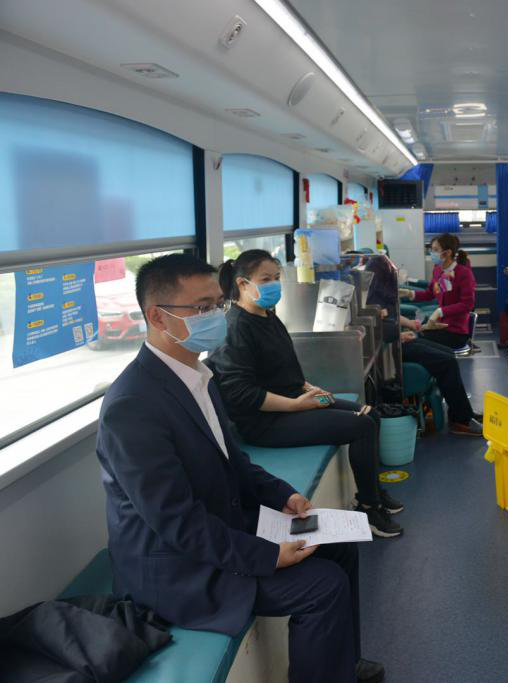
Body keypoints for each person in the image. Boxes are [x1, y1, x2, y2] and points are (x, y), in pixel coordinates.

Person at [95, 253, 384, 683]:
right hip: (176, 568)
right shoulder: (132, 406)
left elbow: (233, 461)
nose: (217, 316)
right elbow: (176, 522)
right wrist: (267, 555)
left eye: (218, 304)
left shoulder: (198, 377)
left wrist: (282, 494)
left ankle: (343, 666)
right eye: (202, 308)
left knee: (340, 549)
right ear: (157, 317)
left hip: (219, 527)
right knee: (321, 586)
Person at [206, 250, 403, 539]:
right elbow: (241, 394)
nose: (274, 285)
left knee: (370, 414)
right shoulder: (235, 329)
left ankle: (373, 490)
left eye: (276, 278)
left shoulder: (267, 317)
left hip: (296, 401)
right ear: (243, 284)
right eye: (265, 279)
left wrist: (307, 388)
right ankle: (369, 507)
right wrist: (296, 405)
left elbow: (284, 369)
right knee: (361, 426)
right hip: (266, 422)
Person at [364, 255, 484, 437]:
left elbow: (390, 316)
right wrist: (399, 335)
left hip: (397, 342)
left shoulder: (380, 293)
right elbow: (379, 328)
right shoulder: (371, 297)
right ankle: (461, 420)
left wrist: (409, 327)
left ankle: (463, 413)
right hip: (391, 350)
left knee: (448, 354)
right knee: (447, 362)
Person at [400, 233, 477, 350]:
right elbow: (430, 293)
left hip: (455, 332)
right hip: (439, 326)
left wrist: (440, 311)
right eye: (431, 249)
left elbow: (467, 304)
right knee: (411, 338)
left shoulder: (464, 273)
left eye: (436, 250)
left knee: (414, 342)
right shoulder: (438, 270)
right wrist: (409, 293)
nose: (432, 253)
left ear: (448, 253)